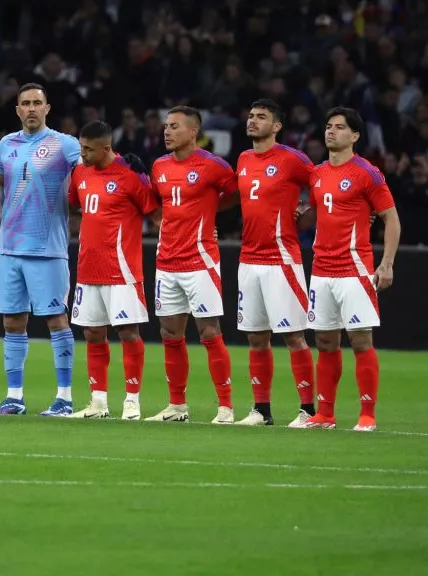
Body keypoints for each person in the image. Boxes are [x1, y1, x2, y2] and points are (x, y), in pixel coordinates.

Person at [0, 83, 81, 416]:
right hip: (10, 248)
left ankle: (64, 398)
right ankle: (14, 397)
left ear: (47, 109)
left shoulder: (65, 145)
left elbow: (88, 174)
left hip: (48, 248)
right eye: (25, 104)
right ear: (17, 110)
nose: (31, 108)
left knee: (56, 320)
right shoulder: (7, 144)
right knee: (12, 321)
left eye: (37, 103)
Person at [304, 107, 401, 432]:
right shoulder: (316, 174)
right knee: (326, 343)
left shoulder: (367, 172)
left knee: (360, 341)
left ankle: (367, 416)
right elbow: (316, 214)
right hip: (321, 269)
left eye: (340, 127)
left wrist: (386, 263)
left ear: (355, 136)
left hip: (354, 269)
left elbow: (391, 219)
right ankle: (325, 414)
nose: (331, 131)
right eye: (329, 126)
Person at [146, 106, 238, 424]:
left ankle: (225, 407)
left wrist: (211, 213)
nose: (167, 132)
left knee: (209, 331)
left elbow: (236, 194)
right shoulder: (158, 166)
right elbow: (157, 205)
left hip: (201, 261)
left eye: (174, 126)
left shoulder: (214, 166)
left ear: (193, 131)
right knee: (170, 332)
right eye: (166, 126)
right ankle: (177, 406)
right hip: (166, 261)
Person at [67, 122, 161, 420]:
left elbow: (156, 213)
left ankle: (131, 400)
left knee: (128, 333)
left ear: (106, 149)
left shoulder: (128, 176)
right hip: (87, 269)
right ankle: (98, 402)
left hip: (122, 269)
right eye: (81, 147)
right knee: (93, 333)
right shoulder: (80, 172)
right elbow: (73, 205)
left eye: (88, 149)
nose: (82, 154)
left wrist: (145, 178)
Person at [233, 99, 317, 427]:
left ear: (277, 126)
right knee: (256, 337)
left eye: (261, 117)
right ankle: (261, 410)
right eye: (251, 116)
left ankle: (309, 410)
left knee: (294, 336)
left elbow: (322, 182)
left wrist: (308, 206)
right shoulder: (242, 158)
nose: (253, 121)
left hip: (281, 258)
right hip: (248, 259)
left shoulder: (292, 159)